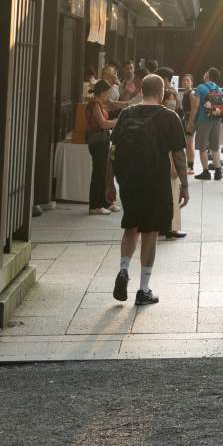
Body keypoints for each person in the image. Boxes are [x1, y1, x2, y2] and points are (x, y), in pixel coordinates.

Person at [109, 74, 189, 307]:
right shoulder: (169, 117)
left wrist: (109, 183)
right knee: (150, 233)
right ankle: (143, 289)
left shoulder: (126, 114)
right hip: (155, 180)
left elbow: (112, 151)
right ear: (162, 92)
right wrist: (184, 184)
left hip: (129, 180)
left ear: (141, 91)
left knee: (130, 225)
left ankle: (124, 269)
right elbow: (179, 154)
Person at [84, 80, 115, 215]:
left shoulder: (97, 103)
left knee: (102, 173)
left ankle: (102, 202)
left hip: (100, 140)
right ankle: (94, 205)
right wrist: (117, 122)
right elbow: (102, 124)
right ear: (102, 92)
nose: (108, 95)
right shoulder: (95, 104)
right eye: (108, 92)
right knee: (98, 174)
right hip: (98, 141)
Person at [192, 69, 223, 179]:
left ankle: (205, 171)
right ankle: (218, 171)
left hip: (203, 120)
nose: (204, 73)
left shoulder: (201, 88)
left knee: (202, 147)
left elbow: (196, 106)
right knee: (215, 147)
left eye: (205, 72)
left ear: (208, 75)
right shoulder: (219, 89)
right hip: (216, 120)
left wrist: (191, 121)